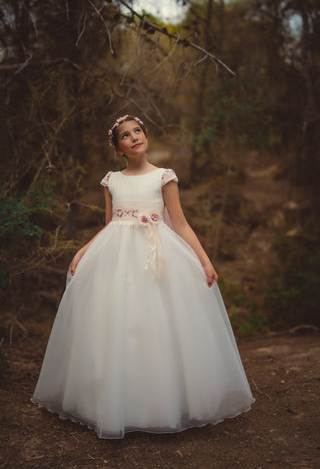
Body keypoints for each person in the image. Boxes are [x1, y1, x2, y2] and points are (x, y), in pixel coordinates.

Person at [31, 115, 255, 439]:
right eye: (125, 135)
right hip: (117, 259)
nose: (134, 137)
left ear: (146, 136)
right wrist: (83, 251)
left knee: (156, 325)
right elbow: (109, 225)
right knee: (120, 326)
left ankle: (161, 402)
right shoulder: (112, 181)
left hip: (156, 259)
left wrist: (204, 261)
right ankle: (117, 403)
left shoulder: (164, 177)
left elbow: (180, 224)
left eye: (138, 131)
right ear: (118, 148)